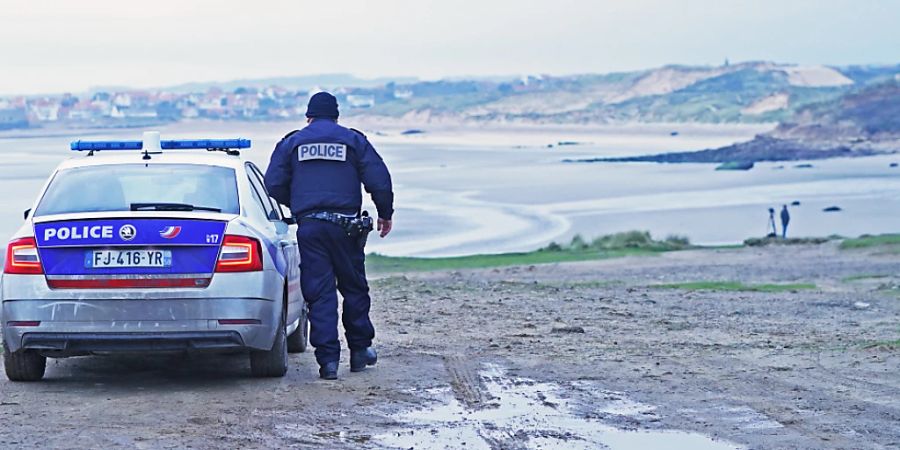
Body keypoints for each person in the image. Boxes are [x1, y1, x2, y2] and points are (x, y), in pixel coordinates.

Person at [264, 92, 394, 380]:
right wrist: (385, 213)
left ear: (308, 116)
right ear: (336, 116)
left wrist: (300, 204)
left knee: (320, 293)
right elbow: (379, 179)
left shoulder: (292, 142)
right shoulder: (353, 140)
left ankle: (328, 363)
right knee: (354, 288)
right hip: (347, 227)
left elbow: (272, 184)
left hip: (311, 227)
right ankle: (360, 351)